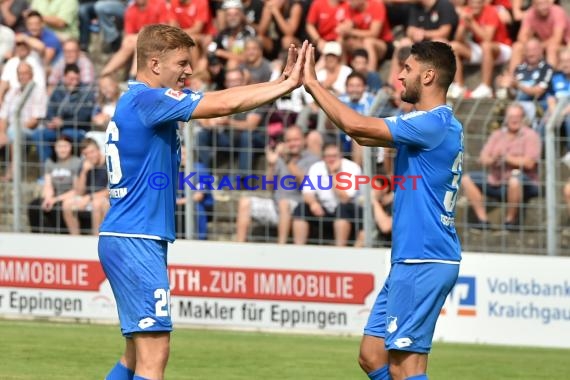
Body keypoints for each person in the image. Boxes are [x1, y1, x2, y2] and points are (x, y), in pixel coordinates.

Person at [97, 24, 305, 380]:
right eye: (182, 62)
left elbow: (220, 96)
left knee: (135, 354)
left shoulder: (136, 100)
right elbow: (220, 103)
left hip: (129, 236)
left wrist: (278, 83)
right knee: (154, 354)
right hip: (136, 240)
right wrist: (283, 86)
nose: (189, 71)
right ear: (154, 63)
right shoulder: (149, 100)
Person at [302, 40, 463, 379]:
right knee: (373, 356)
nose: (400, 77)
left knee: (406, 367)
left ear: (429, 75)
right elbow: (362, 136)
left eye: (407, 69)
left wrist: (314, 84)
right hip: (413, 258)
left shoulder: (431, 124)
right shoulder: (434, 123)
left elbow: (357, 127)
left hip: (424, 257)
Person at [461, 102, 541, 230]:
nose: (513, 120)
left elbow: (530, 163)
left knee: (515, 179)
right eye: (510, 117)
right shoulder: (497, 135)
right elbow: (482, 159)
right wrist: (493, 159)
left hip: (525, 183)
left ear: (523, 118)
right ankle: (483, 220)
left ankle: (510, 222)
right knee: (466, 179)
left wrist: (507, 158)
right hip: (496, 181)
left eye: (517, 117)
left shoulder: (531, 136)